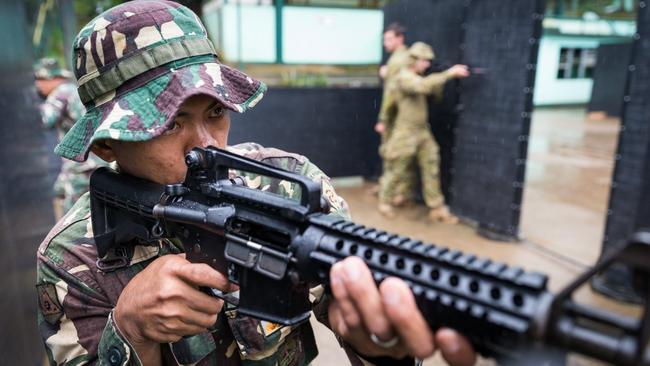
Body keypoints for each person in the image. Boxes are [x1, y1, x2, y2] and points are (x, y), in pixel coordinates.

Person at [36, 2, 476, 365]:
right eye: (169, 124)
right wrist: (130, 331)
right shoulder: (74, 256)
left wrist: (373, 343)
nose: (205, 145)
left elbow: (351, 313)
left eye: (215, 113)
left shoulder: (287, 184)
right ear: (106, 146)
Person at [378, 42, 469, 222]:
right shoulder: (404, 77)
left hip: (422, 131)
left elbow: (432, 91)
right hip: (405, 131)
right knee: (397, 168)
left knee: (431, 166)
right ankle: (385, 201)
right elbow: (422, 87)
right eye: (424, 61)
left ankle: (436, 207)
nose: (427, 64)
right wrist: (450, 73)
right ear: (414, 60)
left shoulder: (419, 77)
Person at [35, 58, 108, 219]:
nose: (38, 84)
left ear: (55, 79)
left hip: (83, 162)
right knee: (60, 190)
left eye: (42, 79)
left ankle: (76, 241)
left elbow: (44, 119)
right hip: (93, 157)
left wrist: (26, 107)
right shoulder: (72, 90)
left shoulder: (60, 93)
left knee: (72, 211)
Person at [374, 23, 415, 207]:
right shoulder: (401, 59)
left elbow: (391, 94)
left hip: (397, 117)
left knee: (394, 154)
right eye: (385, 39)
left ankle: (397, 192)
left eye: (389, 39)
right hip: (402, 116)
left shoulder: (398, 60)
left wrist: (383, 119)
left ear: (400, 39)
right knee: (396, 155)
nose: (385, 43)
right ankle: (394, 189)